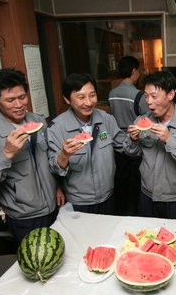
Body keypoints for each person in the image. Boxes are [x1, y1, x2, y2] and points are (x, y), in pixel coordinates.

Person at [0, 69, 64, 244]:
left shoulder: (39, 120)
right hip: (24, 217)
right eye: (10, 100)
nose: (19, 104)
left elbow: (50, 157)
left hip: (54, 207)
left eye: (22, 97)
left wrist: (57, 186)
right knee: (36, 265)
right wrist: (6, 154)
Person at [47, 73, 128, 214]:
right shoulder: (56, 128)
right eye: (81, 97)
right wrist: (64, 155)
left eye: (92, 95)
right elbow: (54, 168)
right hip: (78, 201)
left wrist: (134, 138)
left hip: (108, 196)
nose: (88, 102)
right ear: (67, 99)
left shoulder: (106, 119)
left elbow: (126, 147)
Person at [124, 70, 176, 219]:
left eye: (154, 96)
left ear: (170, 95)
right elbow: (131, 153)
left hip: (175, 199)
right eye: (146, 96)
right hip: (146, 195)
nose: (149, 101)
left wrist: (169, 139)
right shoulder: (142, 119)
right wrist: (133, 140)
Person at [108, 56, 149, 215]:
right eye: (138, 70)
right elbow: (147, 118)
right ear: (133, 71)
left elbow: (112, 116)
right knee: (136, 182)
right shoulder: (138, 95)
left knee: (121, 180)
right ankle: (135, 212)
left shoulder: (112, 93)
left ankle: (122, 211)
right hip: (134, 140)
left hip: (117, 141)